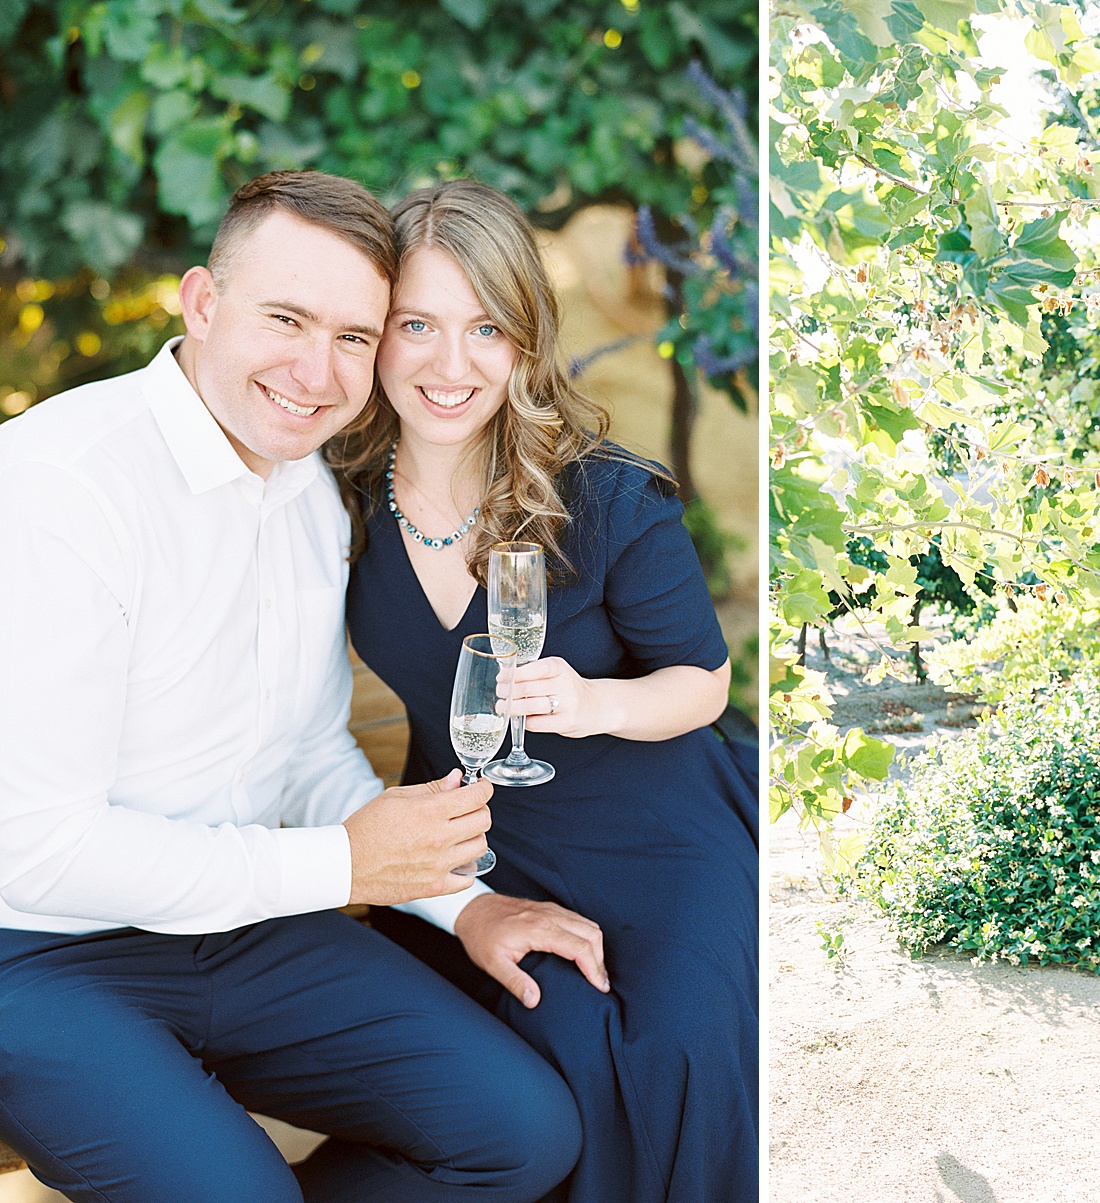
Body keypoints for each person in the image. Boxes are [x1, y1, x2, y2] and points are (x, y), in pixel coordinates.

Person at [0, 171, 595, 1203]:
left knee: (522, 1134)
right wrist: (339, 865)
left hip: (243, 935)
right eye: (287, 319)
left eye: (356, 337)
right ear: (201, 303)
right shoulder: (60, 479)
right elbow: (44, 854)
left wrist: (467, 908)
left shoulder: (307, 495)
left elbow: (310, 753)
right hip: (26, 958)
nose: (318, 371)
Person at [330, 178, 759, 1203]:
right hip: (479, 835)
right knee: (540, 1044)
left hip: (655, 830)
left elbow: (705, 682)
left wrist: (596, 703)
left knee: (676, 1050)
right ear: (376, 336)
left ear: (524, 342)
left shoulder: (607, 496)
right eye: (417, 325)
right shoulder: (337, 501)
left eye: (486, 328)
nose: (450, 364)